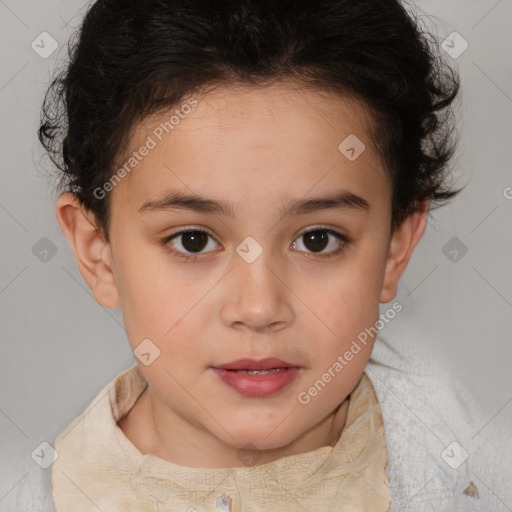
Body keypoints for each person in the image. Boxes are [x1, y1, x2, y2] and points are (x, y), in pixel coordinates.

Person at [29, 0, 510, 510]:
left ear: (396, 247)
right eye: (193, 240)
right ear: (97, 252)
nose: (258, 309)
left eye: (318, 239)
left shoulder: (476, 475)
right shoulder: (30, 494)